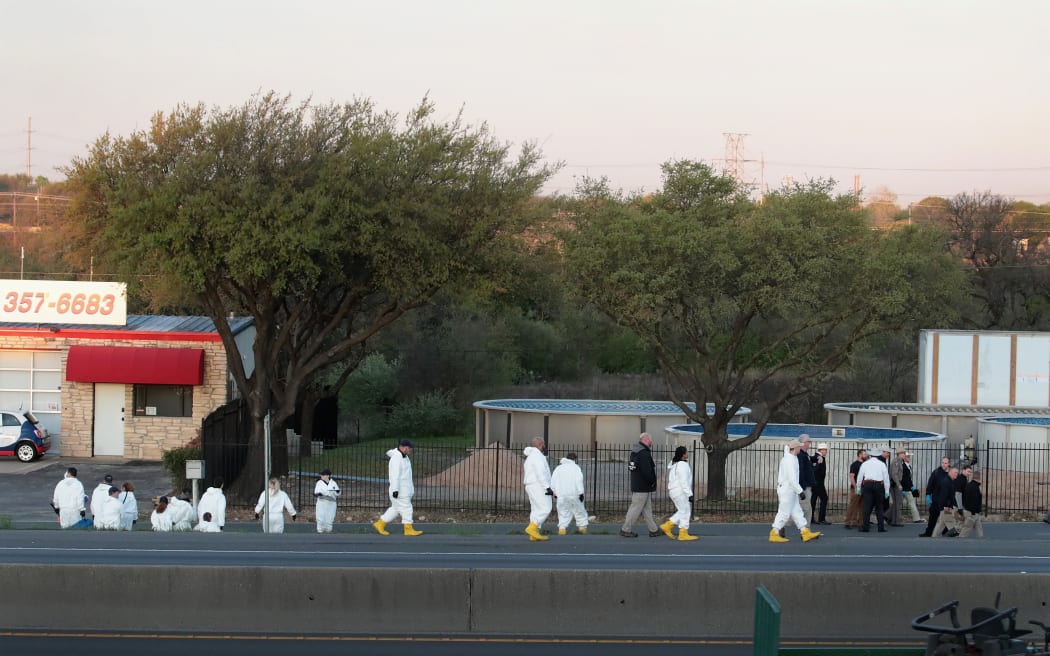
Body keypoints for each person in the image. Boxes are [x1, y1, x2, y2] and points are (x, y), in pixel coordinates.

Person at [769, 440, 821, 543]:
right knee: (784, 513)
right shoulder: (789, 460)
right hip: (787, 490)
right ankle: (774, 533)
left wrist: (797, 490)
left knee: (797, 512)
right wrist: (800, 491)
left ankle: (805, 532)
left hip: (790, 490)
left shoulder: (791, 458)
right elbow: (792, 479)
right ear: (795, 448)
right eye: (799, 447)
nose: (800, 448)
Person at [373, 439, 422, 537]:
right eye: (409, 448)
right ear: (404, 448)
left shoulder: (404, 457)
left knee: (395, 509)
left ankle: (380, 524)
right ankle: (408, 529)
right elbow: (394, 475)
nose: (410, 450)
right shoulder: (397, 458)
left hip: (403, 489)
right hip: (400, 490)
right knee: (407, 508)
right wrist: (395, 489)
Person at [621, 433, 660, 538]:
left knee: (647, 509)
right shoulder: (643, 453)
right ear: (646, 440)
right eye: (651, 440)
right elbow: (647, 471)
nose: (652, 442)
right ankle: (626, 529)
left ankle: (654, 530)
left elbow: (632, 468)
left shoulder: (635, 452)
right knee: (635, 508)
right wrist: (652, 481)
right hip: (642, 486)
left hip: (639, 485)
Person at [660, 445, 698, 541]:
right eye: (686, 452)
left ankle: (673, 528)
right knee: (685, 511)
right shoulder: (683, 466)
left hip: (674, 491)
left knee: (683, 511)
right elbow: (683, 481)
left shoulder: (675, 465)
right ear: (683, 455)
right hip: (680, 492)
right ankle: (678, 531)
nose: (687, 454)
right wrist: (689, 494)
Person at [520, 436, 553, 541]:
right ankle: (532, 528)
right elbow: (540, 473)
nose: (544, 446)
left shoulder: (530, 457)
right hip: (538, 485)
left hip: (531, 485)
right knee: (546, 508)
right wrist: (547, 487)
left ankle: (533, 534)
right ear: (540, 444)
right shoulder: (538, 456)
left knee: (536, 509)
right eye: (543, 444)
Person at [550, 451, 588, 535]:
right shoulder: (576, 468)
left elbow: (553, 481)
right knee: (579, 511)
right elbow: (578, 481)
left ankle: (562, 529)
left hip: (561, 495)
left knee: (563, 512)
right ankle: (582, 528)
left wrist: (554, 493)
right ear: (575, 459)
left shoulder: (558, 468)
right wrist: (581, 493)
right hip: (574, 494)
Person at [856, 446, 891, 533]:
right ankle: (881, 527)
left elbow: (860, 477)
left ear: (870, 455)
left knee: (867, 507)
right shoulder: (882, 464)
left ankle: (866, 527)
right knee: (879, 507)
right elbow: (886, 478)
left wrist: (858, 488)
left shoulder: (865, 464)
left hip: (868, 485)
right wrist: (887, 491)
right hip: (879, 485)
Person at [920, 457, 952, 537]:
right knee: (932, 518)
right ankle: (928, 533)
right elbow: (930, 484)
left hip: (947, 501)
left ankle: (947, 532)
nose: (944, 465)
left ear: (949, 464)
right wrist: (928, 494)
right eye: (942, 463)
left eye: (945, 463)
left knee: (947, 518)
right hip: (936, 500)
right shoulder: (936, 472)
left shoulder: (951, 473)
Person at [930, 467, 961, 538]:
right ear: (950, 473)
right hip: (946, 507)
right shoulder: (946, 482)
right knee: (952, 526)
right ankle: (958, 540)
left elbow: (951, 496)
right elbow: (944, 496)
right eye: (955, 472)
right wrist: (946, 507)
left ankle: (934, 538)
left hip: (946, 507)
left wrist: (955, 505)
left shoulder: (950, 481)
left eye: (957, 473)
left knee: (941, 524)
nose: (957, 474)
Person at [843, 450, 868, 529]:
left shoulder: (865, 464)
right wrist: (855, 486)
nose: (866, 455)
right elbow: (852, 476)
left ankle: (860, 522)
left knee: (862, 506)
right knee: (853, 505)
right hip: (856, 488)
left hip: (864, 487)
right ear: (860, 455)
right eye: (864, 454)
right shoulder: (854, 464)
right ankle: (848, 522)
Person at [314, 468, 341, 534]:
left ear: (328, 476)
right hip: (322, 502)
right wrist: (319, 494)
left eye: (323, 475)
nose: (321, 476)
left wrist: (337, 491)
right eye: (321, 475)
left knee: (330, 517)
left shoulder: (333, 483)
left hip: (331, 503)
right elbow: (316, 491)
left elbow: (338, 493)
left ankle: (329, 530)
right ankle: (320, 530)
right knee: (320, 517)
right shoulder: (319, 483)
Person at [959, 469, 984, 539]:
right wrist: (974, 511)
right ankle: (959, 541)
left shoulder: (968, 485)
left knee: (979, 527)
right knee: (966, 529)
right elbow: (975, 501)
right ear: (979, 478)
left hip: (969, 510)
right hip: (972, 512)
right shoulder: (975, 487)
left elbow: (963, 497)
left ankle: (981, 539)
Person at [797, 434, 816, 527]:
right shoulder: (800, 455)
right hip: (804, 487)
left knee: (804, 509)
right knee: (806, 509)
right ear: (803, 443)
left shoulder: (805, 454)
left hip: (807, 486)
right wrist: (802, 488)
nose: (809, 443)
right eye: (808, 441)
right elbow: (800, 472)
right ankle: (806, 530)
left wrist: (816, 458)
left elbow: (809, 460)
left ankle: (782, 524)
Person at [810, 442, 830, 525]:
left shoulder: (816, 457)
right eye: (825, 450)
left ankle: (811, 518)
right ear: (821, 450)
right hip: (819, 483)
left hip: (814, 483)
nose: (826, 451)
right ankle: (821, 519)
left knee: (813, 500)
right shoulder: (819, 458)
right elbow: (816, 470)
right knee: (824, 499)